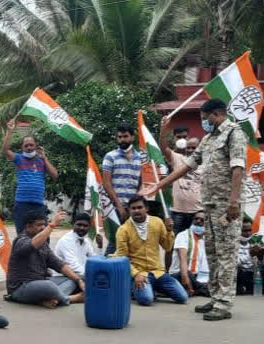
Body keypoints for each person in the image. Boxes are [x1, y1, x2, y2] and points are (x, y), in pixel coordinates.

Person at [142, 100, 247, 321]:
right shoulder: (208, 140)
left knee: (226, 254)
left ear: (217, 114)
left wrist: (234, 201)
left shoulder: (233, 134)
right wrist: (160, 185)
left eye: (205, 117)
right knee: (213, 253)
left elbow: (237, 168)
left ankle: (225, 303)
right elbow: (187, 165)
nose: (203, 122)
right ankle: (216, 296)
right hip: (208, 205)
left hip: (226, 205)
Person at [115, 196, 187, 306]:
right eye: (133, 208)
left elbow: (167, 247)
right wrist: (135, 274)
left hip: (158, 272)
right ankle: (136, 287)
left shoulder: (157, 222)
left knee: (183, 297)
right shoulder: (123, 230)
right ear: (129, 210)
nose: (137, 211)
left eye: (140, 207)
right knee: (147, 299)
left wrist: (169, 231)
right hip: (140, 273)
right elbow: (122, 257)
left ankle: (154, 286)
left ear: (146, 208)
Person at [6, 210, 86, 308]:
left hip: (40, 285)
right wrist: (52, 225)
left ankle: (50, 300)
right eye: (39, 225)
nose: (43, 227)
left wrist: (78, 280)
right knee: (48, 286)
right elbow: (32, 245)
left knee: (71, 280)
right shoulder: (20, 241)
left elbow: (59, 264)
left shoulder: (43, 244)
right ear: (28, 227)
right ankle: (71, 299)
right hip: (21, 288)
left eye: (44, 224)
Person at [2, 120, 58, 230]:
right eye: (26, 145)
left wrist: (44, 158)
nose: (29, 147)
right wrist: (9, 131)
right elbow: (5, 151)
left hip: (38, 204)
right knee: (22, 235)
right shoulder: (19, 158)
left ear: (36, 146)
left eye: (31, 145)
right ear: (22, 147)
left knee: (42, 235)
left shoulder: (42, 161)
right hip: (22, 204)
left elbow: (55, 175)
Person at [102, 123, 146, 254]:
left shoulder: (141, 158)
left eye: (125, 136)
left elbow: (141, 183)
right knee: (115, 240)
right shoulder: (110, 156)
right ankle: (105, 267)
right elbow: (106, 183)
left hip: (134, 207)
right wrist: (119, 205)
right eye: (119, 137)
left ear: (132, 137)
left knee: (133, 240)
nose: (122, 140)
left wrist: (134, 205)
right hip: (115, 206)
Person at [159, 124, 202, 234]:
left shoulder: (206, 163)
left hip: (198, 212)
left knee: (196, 245)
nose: (191, 150)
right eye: (189, 148)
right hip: (177, 212)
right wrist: (163, 129)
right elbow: (164, 148)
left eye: (194, 148)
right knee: (172, 244)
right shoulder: (177, 158)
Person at [49, 212, 102, 295]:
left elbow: (94, 259)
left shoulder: (86, 241)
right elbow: (73, 266)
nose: (82, 228)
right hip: (63, 277)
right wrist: (92, 275)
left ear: (89, 227)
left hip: (80, 275)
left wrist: (100, 246)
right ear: (74, 225)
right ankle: (55, 297)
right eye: (79, 225)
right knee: (75, 282)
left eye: (85, 226)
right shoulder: (66, 241)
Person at [168, 211, 209, 297]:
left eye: (202, 220)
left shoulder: (206, 240)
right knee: (189, 273)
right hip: (180, 274)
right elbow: (183, 259)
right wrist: (186, 278)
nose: (198, 221)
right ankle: (202, 289)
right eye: (196, 219)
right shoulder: (183, 235)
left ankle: (200, 289)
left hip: (197, 276)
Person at [236, 219, 264, 295]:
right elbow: (233, 264)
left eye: (250, 230)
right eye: (244, 231)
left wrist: (261, 258)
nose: (248, 233)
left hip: (253, 274)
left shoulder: (255, 243)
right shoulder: (233, 244)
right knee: (239, 272)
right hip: (240, 274)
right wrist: (250, 255)